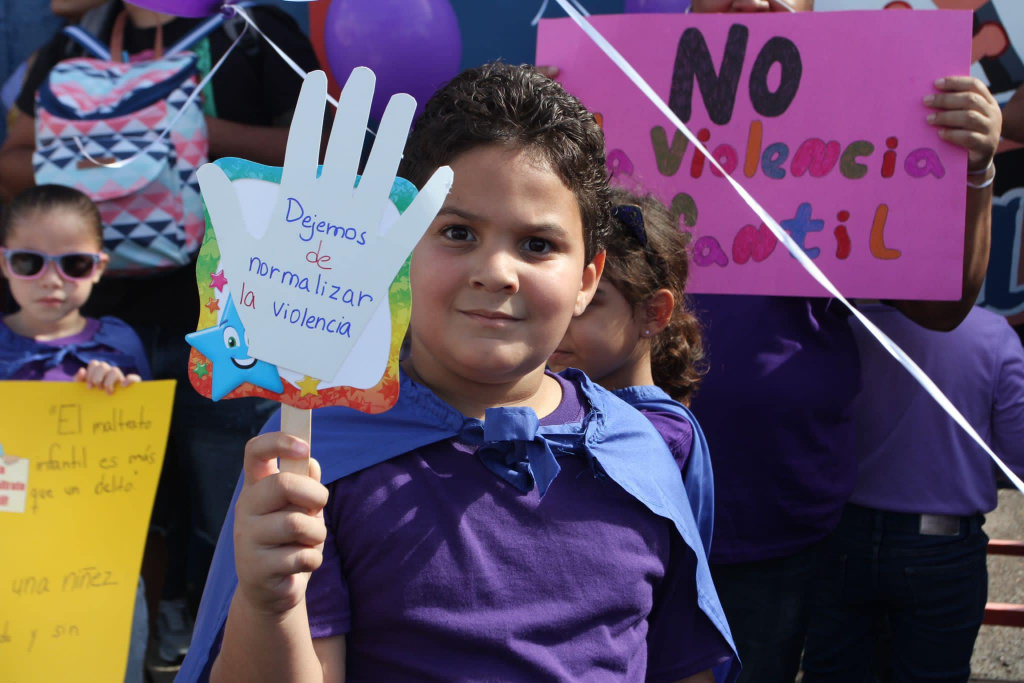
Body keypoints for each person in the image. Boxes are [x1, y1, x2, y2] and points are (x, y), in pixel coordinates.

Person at [180, 62, 738, 683]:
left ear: (587, 279)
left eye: (537, 245)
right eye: (457, 232)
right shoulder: (314, 459)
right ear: (399, 250)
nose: (495, 272)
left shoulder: (641, 459)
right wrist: (270, 603)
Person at [665, 1, 1003, 681]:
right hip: (623, 500)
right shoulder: (623, 90)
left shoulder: (855, 115)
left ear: (812, 9)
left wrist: (976, 170)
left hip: (778, 521)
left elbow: (941, 307)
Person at [0, 0, 324, 664]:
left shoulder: (252, 31)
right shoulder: (76, 42)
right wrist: (102, 154)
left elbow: (321, 155)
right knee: (104, 502)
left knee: (224, 501)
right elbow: (14, 159)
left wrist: (201, 134)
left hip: (231, 321)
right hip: (87, 328)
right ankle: (124, 633)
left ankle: (219, 640)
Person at [801, 304, 1024, 682]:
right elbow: (1017, 456)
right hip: (943, 545)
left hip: (844, 535)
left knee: (833, 671)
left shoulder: (849, 324)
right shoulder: (994, 334)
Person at [0, 183, 150, 683]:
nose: (52, 280)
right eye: (29, 262)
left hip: (100, 559)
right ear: (4, 263)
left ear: (100, 267)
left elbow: (140, 453)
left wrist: (121, 395)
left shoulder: (119, 344)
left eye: (74, 264)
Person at [547, 189, 717, 557]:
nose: (560, 316)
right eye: (554, 294)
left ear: (653, 313)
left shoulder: (659, 437)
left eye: (588, 302)